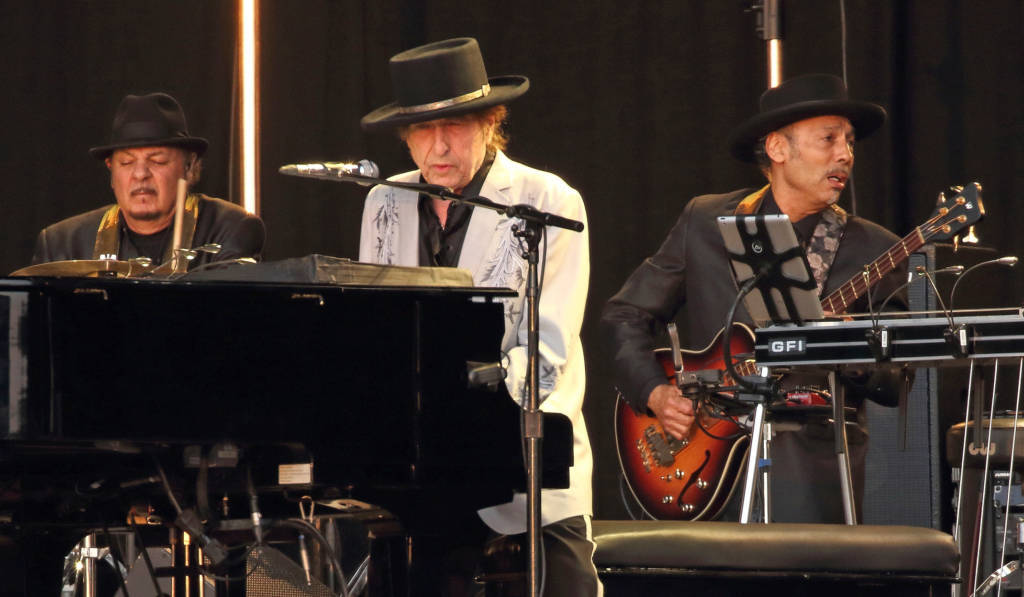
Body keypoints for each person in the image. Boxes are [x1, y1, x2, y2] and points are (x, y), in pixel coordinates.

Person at [602, 73, 907, 523]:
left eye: (849, 141)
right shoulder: (706, 221)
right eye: (828, 139)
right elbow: (625, 313)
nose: (845, 154)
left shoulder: (877, 249)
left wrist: (849, 349)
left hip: (812, 479)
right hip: (706, 464)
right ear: (778, 149)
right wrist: (654, 392)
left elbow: (897, 379)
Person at [358, 38, 599, 596]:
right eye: (423, 129)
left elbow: (547, 348)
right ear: (405, 135)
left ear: (491, 122)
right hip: (421, 478)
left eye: (456, 125)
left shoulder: (548, 200)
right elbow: (376, 330)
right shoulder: (383, 200)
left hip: (528, 473)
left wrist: (464, 413)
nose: (439, 145)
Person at [31, 92, 264, 269]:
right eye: (127, 162)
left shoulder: (230, 230)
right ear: (111, 171)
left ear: (189, 166)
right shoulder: (62, 243)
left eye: (157, 161)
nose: (140, 174)